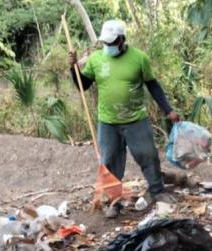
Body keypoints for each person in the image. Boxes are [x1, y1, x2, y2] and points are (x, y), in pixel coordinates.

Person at [69, 19, 181, 218]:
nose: (108, 46)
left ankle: (157, 191)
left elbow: (153, 85)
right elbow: (82, 85)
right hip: (108, 122)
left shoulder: (139, 58)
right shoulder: (96, 59)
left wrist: (168, 110)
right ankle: (114, 202)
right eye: (106, 42)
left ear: (122, 39)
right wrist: (73, 68)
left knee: (148, 155)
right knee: (110, 161)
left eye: (112, 42)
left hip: (136, 119)